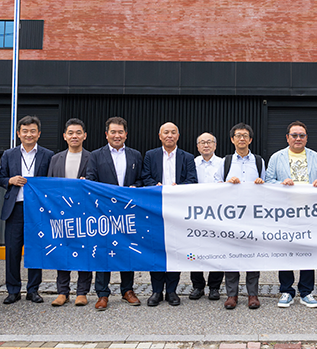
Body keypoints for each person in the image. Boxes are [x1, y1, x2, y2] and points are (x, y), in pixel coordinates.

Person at [266, 121, 317, 309]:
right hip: (285, 212)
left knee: (307, 251)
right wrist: (281, 184)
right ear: (287, 138)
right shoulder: (277, 157)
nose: (298, 138)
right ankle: (286, 291)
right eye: (294, 135)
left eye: (302, 135)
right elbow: (268, 181)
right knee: (285, 251)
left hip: (309, 212)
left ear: (306, 138)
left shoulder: (315, 156)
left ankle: (306, 292)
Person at [86, 116, 143, 311]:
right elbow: (91, 180)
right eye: (113, 132)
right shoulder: (96, 155)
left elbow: (142, 180)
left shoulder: (135, 155)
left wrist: (136, 187)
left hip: (127, 212)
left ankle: (127, 290)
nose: (117, 135)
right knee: (103, 251)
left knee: (127, 250)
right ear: (106, 134)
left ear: (126, 134)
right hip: (103, 212)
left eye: (120, 132)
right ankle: (102, 294)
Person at [0, 116, 54, 305]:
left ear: (39, 133)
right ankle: (13, 290)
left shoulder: (48, 155)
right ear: (18, 133)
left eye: (32, 131)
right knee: (12, 251)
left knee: (36, 250)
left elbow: (51, 180)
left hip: (38, 210)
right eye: (25, 131)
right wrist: (10, 181)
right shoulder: (9, 154)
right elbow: (0, 178)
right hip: (15, 208)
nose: (29, 134)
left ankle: (33, 290)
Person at [142, 122, 198, 307]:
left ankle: (172, 291)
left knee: (175, 249)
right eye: (166, 132)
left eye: (173, 132)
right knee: (156, 249)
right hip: (156, 209)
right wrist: (156, 186)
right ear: (160, 136)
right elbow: (145, 176)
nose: (169, 135)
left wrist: (178, 188)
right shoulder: (150, 155)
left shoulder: (187, 157)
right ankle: (157, 291)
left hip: (177, 210)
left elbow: (192, 180)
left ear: (178, 136)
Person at [214, 123, 266, 310]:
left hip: (252, 215)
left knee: (252, 254)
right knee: (232, 254)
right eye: (238, 135)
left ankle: (253, 294)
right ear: (232, 139)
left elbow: (267, 187)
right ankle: (232, 295)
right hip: (231, 216)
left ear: (250, 140)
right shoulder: (225, 161)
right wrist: (227, 183)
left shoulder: (259, 161)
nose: (242, 138)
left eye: (245, 135)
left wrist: (261, 183)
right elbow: (215, 184)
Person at [47, 118, 92, 307]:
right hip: (61, 213)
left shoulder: (92, 157)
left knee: (85, 251)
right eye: (71, 133)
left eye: (78, 133)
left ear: (84, 136)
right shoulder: (55, 158)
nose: (75, 136)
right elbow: (49, 185)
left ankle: (82, 292)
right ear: (65, 136)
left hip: (85, 213)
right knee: (62, 250)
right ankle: (62, 292)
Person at [190, 132, 225, 301]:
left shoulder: (223, 163)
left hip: (218, 213)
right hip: (195, 213)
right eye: (202, 142)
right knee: (195, 248)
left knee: (217, 249)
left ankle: (214, 287)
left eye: (209, 142)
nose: (206, 145)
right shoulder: (192, 163)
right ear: (197, 146)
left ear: (215, 145)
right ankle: (197, 286)